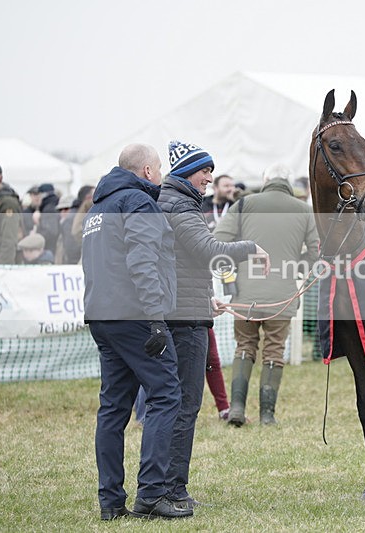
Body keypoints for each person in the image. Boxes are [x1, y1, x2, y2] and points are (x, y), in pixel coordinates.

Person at [81, 143, 191, 520]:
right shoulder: (139, 203)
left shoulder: (98, 207)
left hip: (102, 315)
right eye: (159, 169)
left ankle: (111, 502)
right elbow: (143, 261)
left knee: (113, 408)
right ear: (146, 171)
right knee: (166, 394)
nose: (161, 176)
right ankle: (151, 495)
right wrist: (156, 317)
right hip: (134, 316)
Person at [158, 140, 267, 507]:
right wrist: (251, 247)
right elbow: (208, 250)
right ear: (188, 171)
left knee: (177, 404)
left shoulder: (176, 202)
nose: (209, 177)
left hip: (185, 309)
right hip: (184, 322)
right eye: (205, 170)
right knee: (185, 405)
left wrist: (205, 298)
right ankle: (172, 490)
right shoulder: (180, 206)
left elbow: (182, 263)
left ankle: (166, 487)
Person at [214, 162, 319, 426]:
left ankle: (236, 409)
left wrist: (235, 271)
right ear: (288, 183)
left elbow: (218, 242)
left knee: (244, 347)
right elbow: (319, 255)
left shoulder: (244, 205)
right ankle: (267, 415)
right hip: (282, 295)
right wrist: (296, 264)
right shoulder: (305, 210)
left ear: (265, 180)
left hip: (245, 293)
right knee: (273, 351)